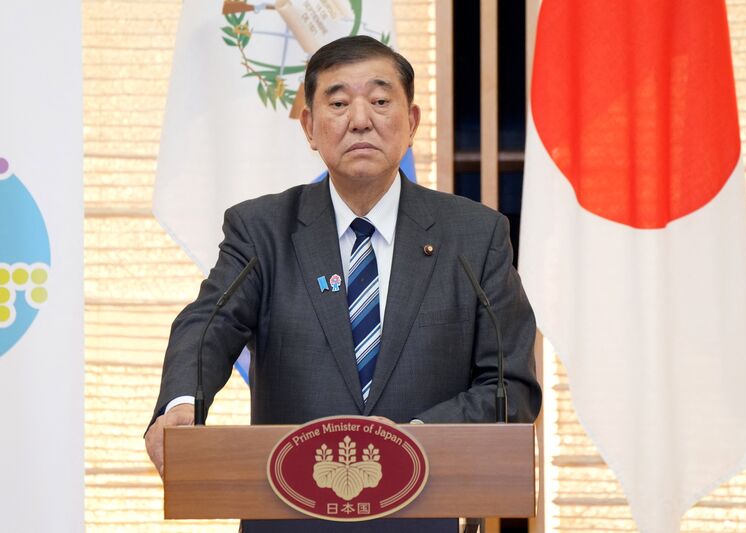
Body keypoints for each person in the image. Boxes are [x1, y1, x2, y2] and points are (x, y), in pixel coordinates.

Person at [145, 35, 541, 532]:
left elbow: (509, 385)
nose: (360, 120)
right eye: (337, 104)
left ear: (412, 122)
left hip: (425, 518)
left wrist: (412, 440)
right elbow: (209, 323)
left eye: (380, 101)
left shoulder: (474, 236)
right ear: (309, 127)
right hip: (289, 518)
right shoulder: (262, 230)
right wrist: (182, 402)